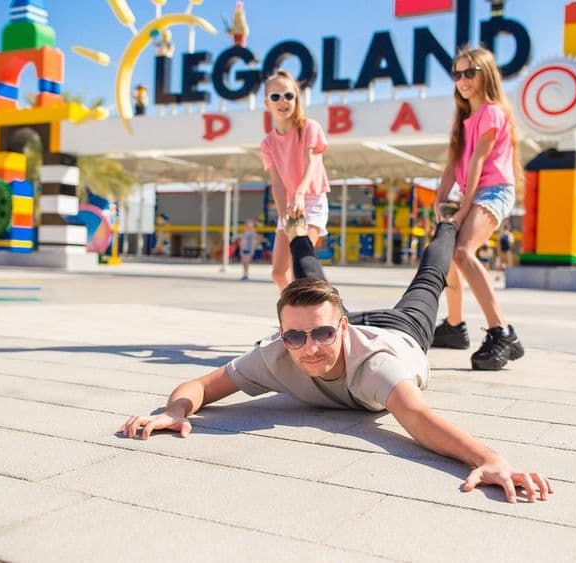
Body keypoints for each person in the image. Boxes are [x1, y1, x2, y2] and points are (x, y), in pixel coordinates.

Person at [119, 216, 553, 504]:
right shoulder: (277, 352)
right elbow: (204, 385)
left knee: (428, 282)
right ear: (283, 334)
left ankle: (445, 220)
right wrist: (174, 411)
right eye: (295, 336)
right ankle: (297, 231)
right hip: (343, 320)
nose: (309, 348)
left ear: (342, 327)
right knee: (309, 283)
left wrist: (487, 458)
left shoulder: (377, 365)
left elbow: (418, 419)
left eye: (323, 334)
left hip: (399, 329)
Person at [430, 46, 524, 371]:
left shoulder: (493, 113)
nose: (463, 80)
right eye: (457, 74)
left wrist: (463, 207)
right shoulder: (463, 120)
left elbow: (477, 163)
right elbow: (452, 165)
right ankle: (454, 327)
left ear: (486, 74)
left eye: (470, 72)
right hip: (470, 191)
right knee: (448, 251)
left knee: (462, 252)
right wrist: (438, 201)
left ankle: (503, 333)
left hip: (494, 189)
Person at [259, 69, 330, 291]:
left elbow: (312, 163)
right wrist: (283, 216)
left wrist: (299, 194)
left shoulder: (309, 127)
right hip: (288, 206)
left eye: (289, 95)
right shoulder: (268, 143)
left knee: (302, 263)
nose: (283, 101)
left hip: (311, 199)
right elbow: (277, 183)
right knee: (279, 273)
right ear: (266, 103)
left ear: (296, 98)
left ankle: (320, 314)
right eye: (275, 96)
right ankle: (290, 319)